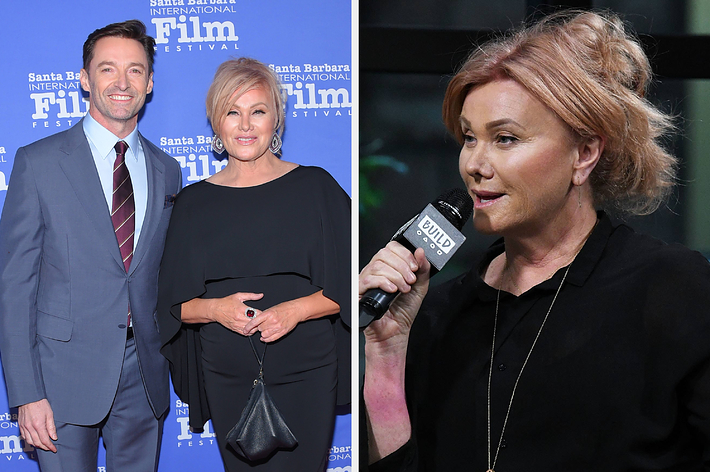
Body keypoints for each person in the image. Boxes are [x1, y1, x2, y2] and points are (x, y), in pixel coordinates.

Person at [361, 10, 710, 472]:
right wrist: (385, 357)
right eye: (469, 138)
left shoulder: (673, 288)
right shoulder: (438, 315)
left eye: (505, 138)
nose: (475, 165)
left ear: (584, 153)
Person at [0, 20, 182, 471]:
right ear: (85, 79)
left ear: (150, 82)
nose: (122, 82)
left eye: (135, 70)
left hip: (144, 374)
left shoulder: (167, 169)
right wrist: (26, 393)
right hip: (60, 376)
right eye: (107, 69)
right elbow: (14, 287)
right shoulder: (38, 162)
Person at [157, 57, 351, 472]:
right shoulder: (193, 203)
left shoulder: (316, 187)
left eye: (257, 111)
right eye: (233, 112)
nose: (245, 126)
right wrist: (217, 310)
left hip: (307, 370)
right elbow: (173, 307)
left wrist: (293, 311)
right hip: (229, 375)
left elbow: (355, 283)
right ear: (216, 121)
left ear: (275, 119)